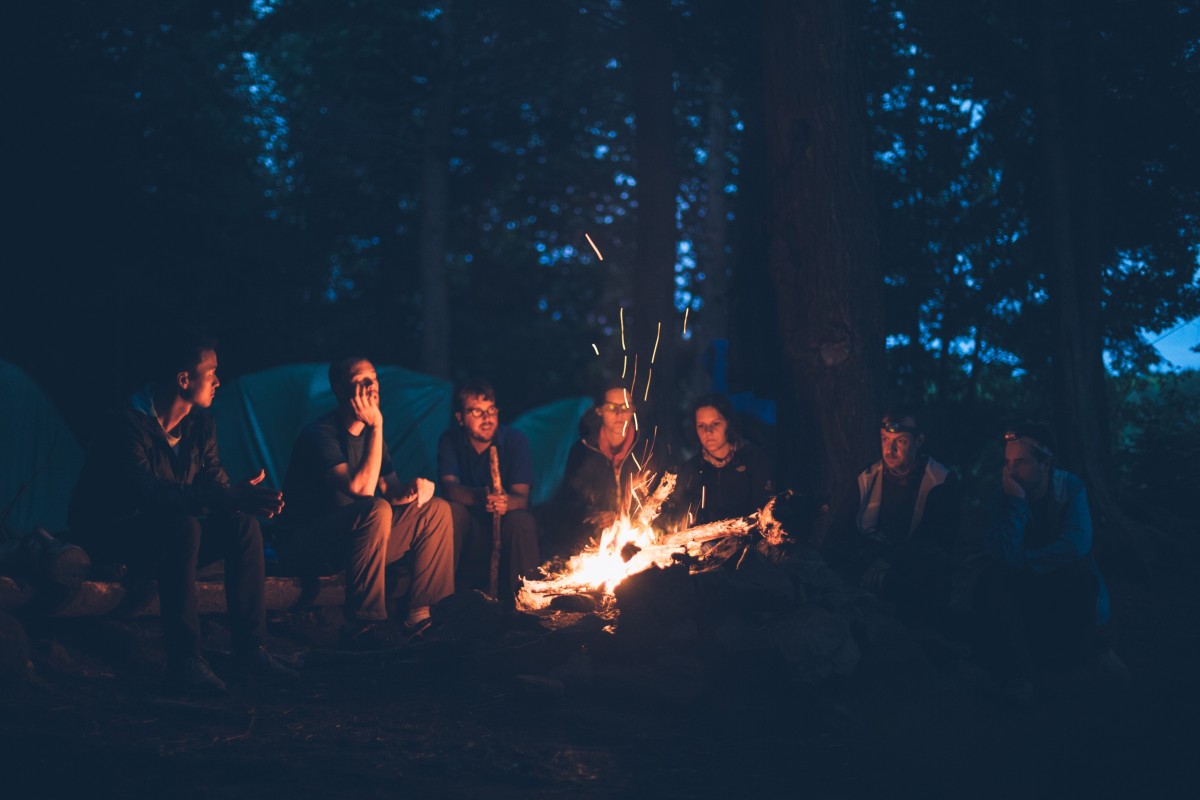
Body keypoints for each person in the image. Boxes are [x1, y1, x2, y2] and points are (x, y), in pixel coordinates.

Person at [68, 332, 297, 693]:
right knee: (183, 528)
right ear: (184, 379)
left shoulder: (199, 424)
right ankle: (184, 659)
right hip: (114, 538)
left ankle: (251, 650)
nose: (219, 381)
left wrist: (237, 498)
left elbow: (211, 482)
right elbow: (148, 496)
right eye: (212, 373)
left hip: (166, 537)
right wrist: (222, 497)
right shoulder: (126, 425)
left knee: (241, 527)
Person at [274, 357, 454, 647]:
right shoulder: (320, 435)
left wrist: (414, 489)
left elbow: (390, 489)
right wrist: (377, 425)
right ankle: (364, 621)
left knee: (436, 510)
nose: (372, 386)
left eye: (374, 378)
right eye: (361, 380)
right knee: (376, 508)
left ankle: (422, 614)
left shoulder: (373, 437)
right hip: (310, 545)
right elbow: (362, 489)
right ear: (340, 389)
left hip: (358, 542)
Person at [978, 423, 1111, 699]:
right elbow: (1001, 555)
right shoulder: (1004, 495)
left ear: (1046, 464)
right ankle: (1019, 676)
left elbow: (1076, 545)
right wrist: (1015, 504)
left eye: (1022, 463)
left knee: (1079, 578)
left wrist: (1027, 562)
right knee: (989, 584)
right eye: (1008, 463)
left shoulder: (1069, 488)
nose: (1012, 471)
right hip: (1020, 582)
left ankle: (1076, 664)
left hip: (1057, 575)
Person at [825, 405, 961, 626]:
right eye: (885, 440)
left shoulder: (940, 482)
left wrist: (888, 561)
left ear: (919, 441)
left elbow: (939, 541)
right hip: (868, 563)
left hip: (908, 569)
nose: (889, 450)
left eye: (901, 441)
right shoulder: (869, 478)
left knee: (933, 563)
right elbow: (837, 533)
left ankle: (924, 634)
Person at [437, 379, 540, 600]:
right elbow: (449, 488)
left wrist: (505, 502)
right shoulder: (451, 440)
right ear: (460, 418)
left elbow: (522, 497)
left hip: (505, 526)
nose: (487, 418)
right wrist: (480, 498)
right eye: (476, 412)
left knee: (521, 520)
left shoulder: (514, 440)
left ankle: (527, 602)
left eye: (491, 410)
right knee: (450, 511)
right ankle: (441, 600)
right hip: (470, 530)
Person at [548, 382, 660, 554]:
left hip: (640, 536)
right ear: (599, 411)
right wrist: (594, 514)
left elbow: (664, 497)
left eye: (625, 406)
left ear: (633, 410)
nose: (619, 413)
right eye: (611, 407)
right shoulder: (583, 451)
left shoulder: (647, 449)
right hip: (595, 540)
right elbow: (568, 501)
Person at [667, 393, 774, 528]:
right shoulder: (691, 470)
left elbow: (765, 509)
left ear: (728, 423)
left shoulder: (752, 460)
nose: (708, 432)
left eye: (715, 424)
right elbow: (678, 513)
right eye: (701, 425)